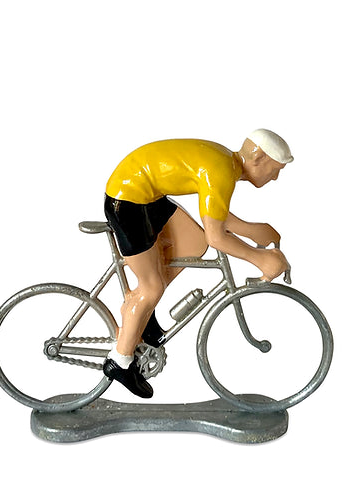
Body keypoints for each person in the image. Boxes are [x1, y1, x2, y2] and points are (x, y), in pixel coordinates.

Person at [102, 129, 293, 398]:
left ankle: (142, 311)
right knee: (152, 287)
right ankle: (120, 360)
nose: (275, 178)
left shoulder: (225, 164)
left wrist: (253, 230)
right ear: (259, 158)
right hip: (128, 200)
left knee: (194, 242)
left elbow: (216, 216)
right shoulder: (222, 170)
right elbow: (217, 237)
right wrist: (261, 259)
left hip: (146, 195)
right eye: (275, 170)